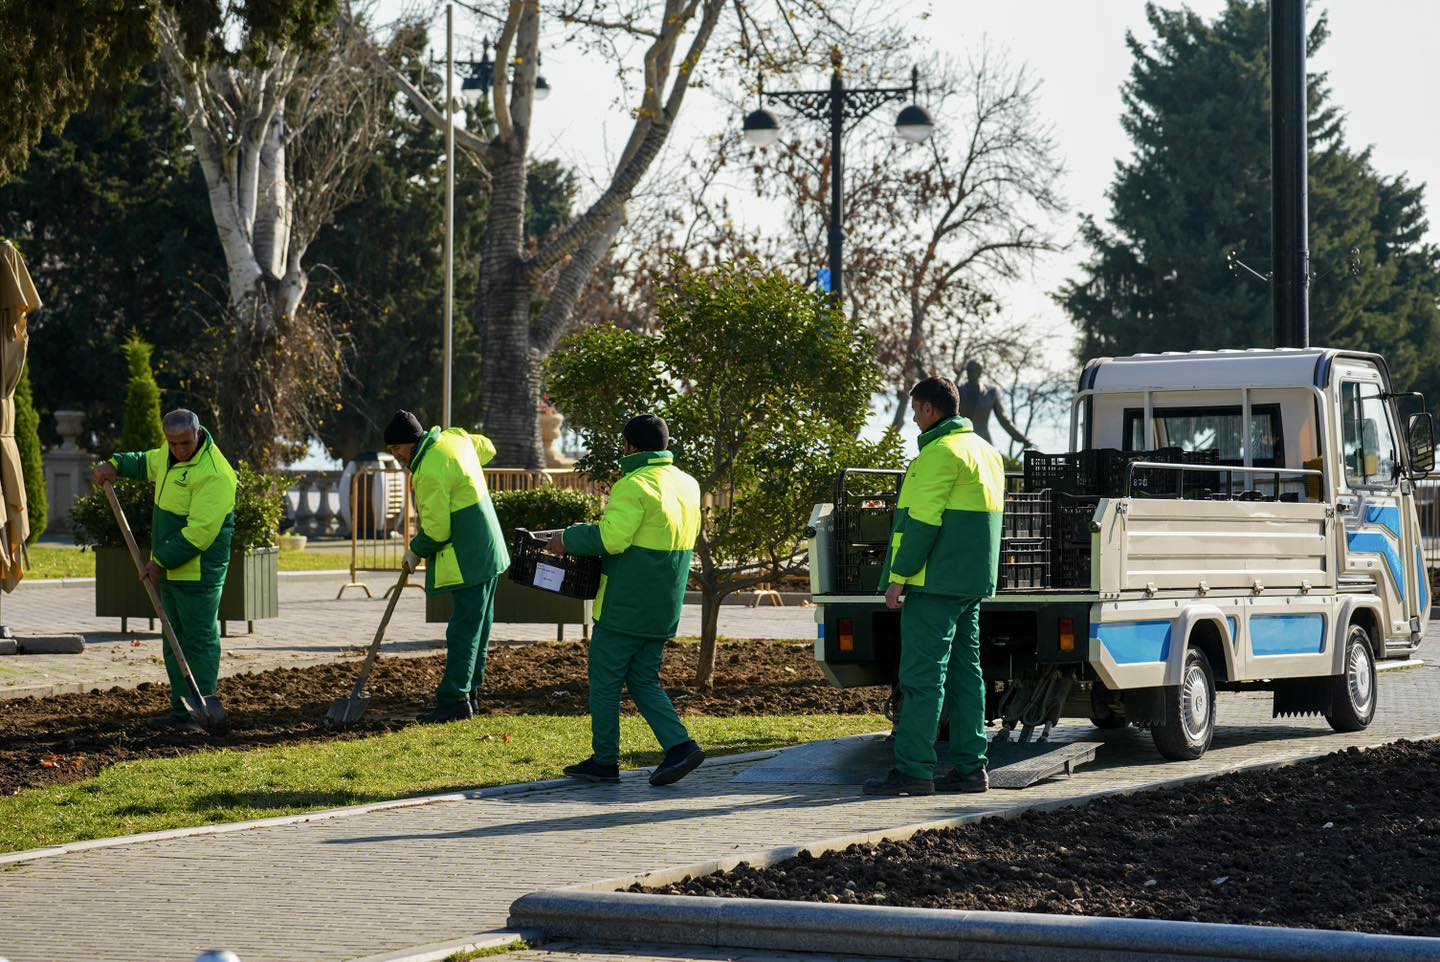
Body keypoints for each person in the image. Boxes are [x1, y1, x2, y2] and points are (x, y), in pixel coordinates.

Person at [546, 414, 705, 786]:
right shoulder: (687, 483)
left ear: (630, 447)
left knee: (604, 682)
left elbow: (613, 538)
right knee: (644, 679)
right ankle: (680, 747)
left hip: (624, 605)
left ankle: (605, 761)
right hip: (663, 605)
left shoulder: (633, 484)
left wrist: (567, 539)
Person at [865, 377, 1005, 796]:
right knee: (968, 676)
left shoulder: (937, 455)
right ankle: (970, 768)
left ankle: (914, 771)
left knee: (922, 677)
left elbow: (921, 524)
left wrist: (897, 578)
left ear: (928, 409)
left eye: (914, 410)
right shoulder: (987, 453)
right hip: (972, 584)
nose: (911, 418)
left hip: (933, 582)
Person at [92, 409, 237, 732]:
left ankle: (200, 711)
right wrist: (115, 465)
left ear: (198, 434)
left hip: (199, 571)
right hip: (170, 567)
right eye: (172, 443)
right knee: (174, 641)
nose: (179, 449)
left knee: (197, 640)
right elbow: (146, 462)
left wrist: (158, 562)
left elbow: (200, 532)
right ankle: (182, 712)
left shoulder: (215, 474)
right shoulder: (168, 454)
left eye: (184, 443)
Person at [385, 411, 510, 724]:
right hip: (490, 550)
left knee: (463, 630)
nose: (396, 456)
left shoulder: (427, 470)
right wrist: (464, 471)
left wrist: (415, 551)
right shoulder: (456, 438)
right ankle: (472, 692)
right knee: (479, 626)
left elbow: (438, 531)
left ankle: (454, 700)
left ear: (406, 445)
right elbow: (489, 448)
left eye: (395, 449)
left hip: (469, 557)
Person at [958, 359, 1033, 449]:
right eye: (968, 371)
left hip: (984, 442)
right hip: (963, 442)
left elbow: (1003, 419)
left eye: (972, 370)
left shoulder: (991, 393)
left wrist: (1022, 439)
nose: (969, 373)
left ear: (980, 372)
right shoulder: (959, 391)